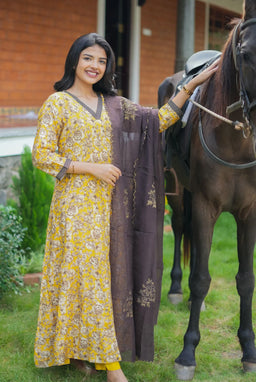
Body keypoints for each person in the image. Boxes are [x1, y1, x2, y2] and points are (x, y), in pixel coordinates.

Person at [32, 33, 218, 382]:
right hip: (75, 206)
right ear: (75, 60)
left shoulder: (114, 105)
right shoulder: (57, 103)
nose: (94, 66)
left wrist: (191, 86)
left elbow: (159, 120)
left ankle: (79, 352)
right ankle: (111, 367)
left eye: (102, 61)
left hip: (113, 206)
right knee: (86, 279)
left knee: (98, 279)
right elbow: (42, 155)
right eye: (88, 58)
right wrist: (91, 168)